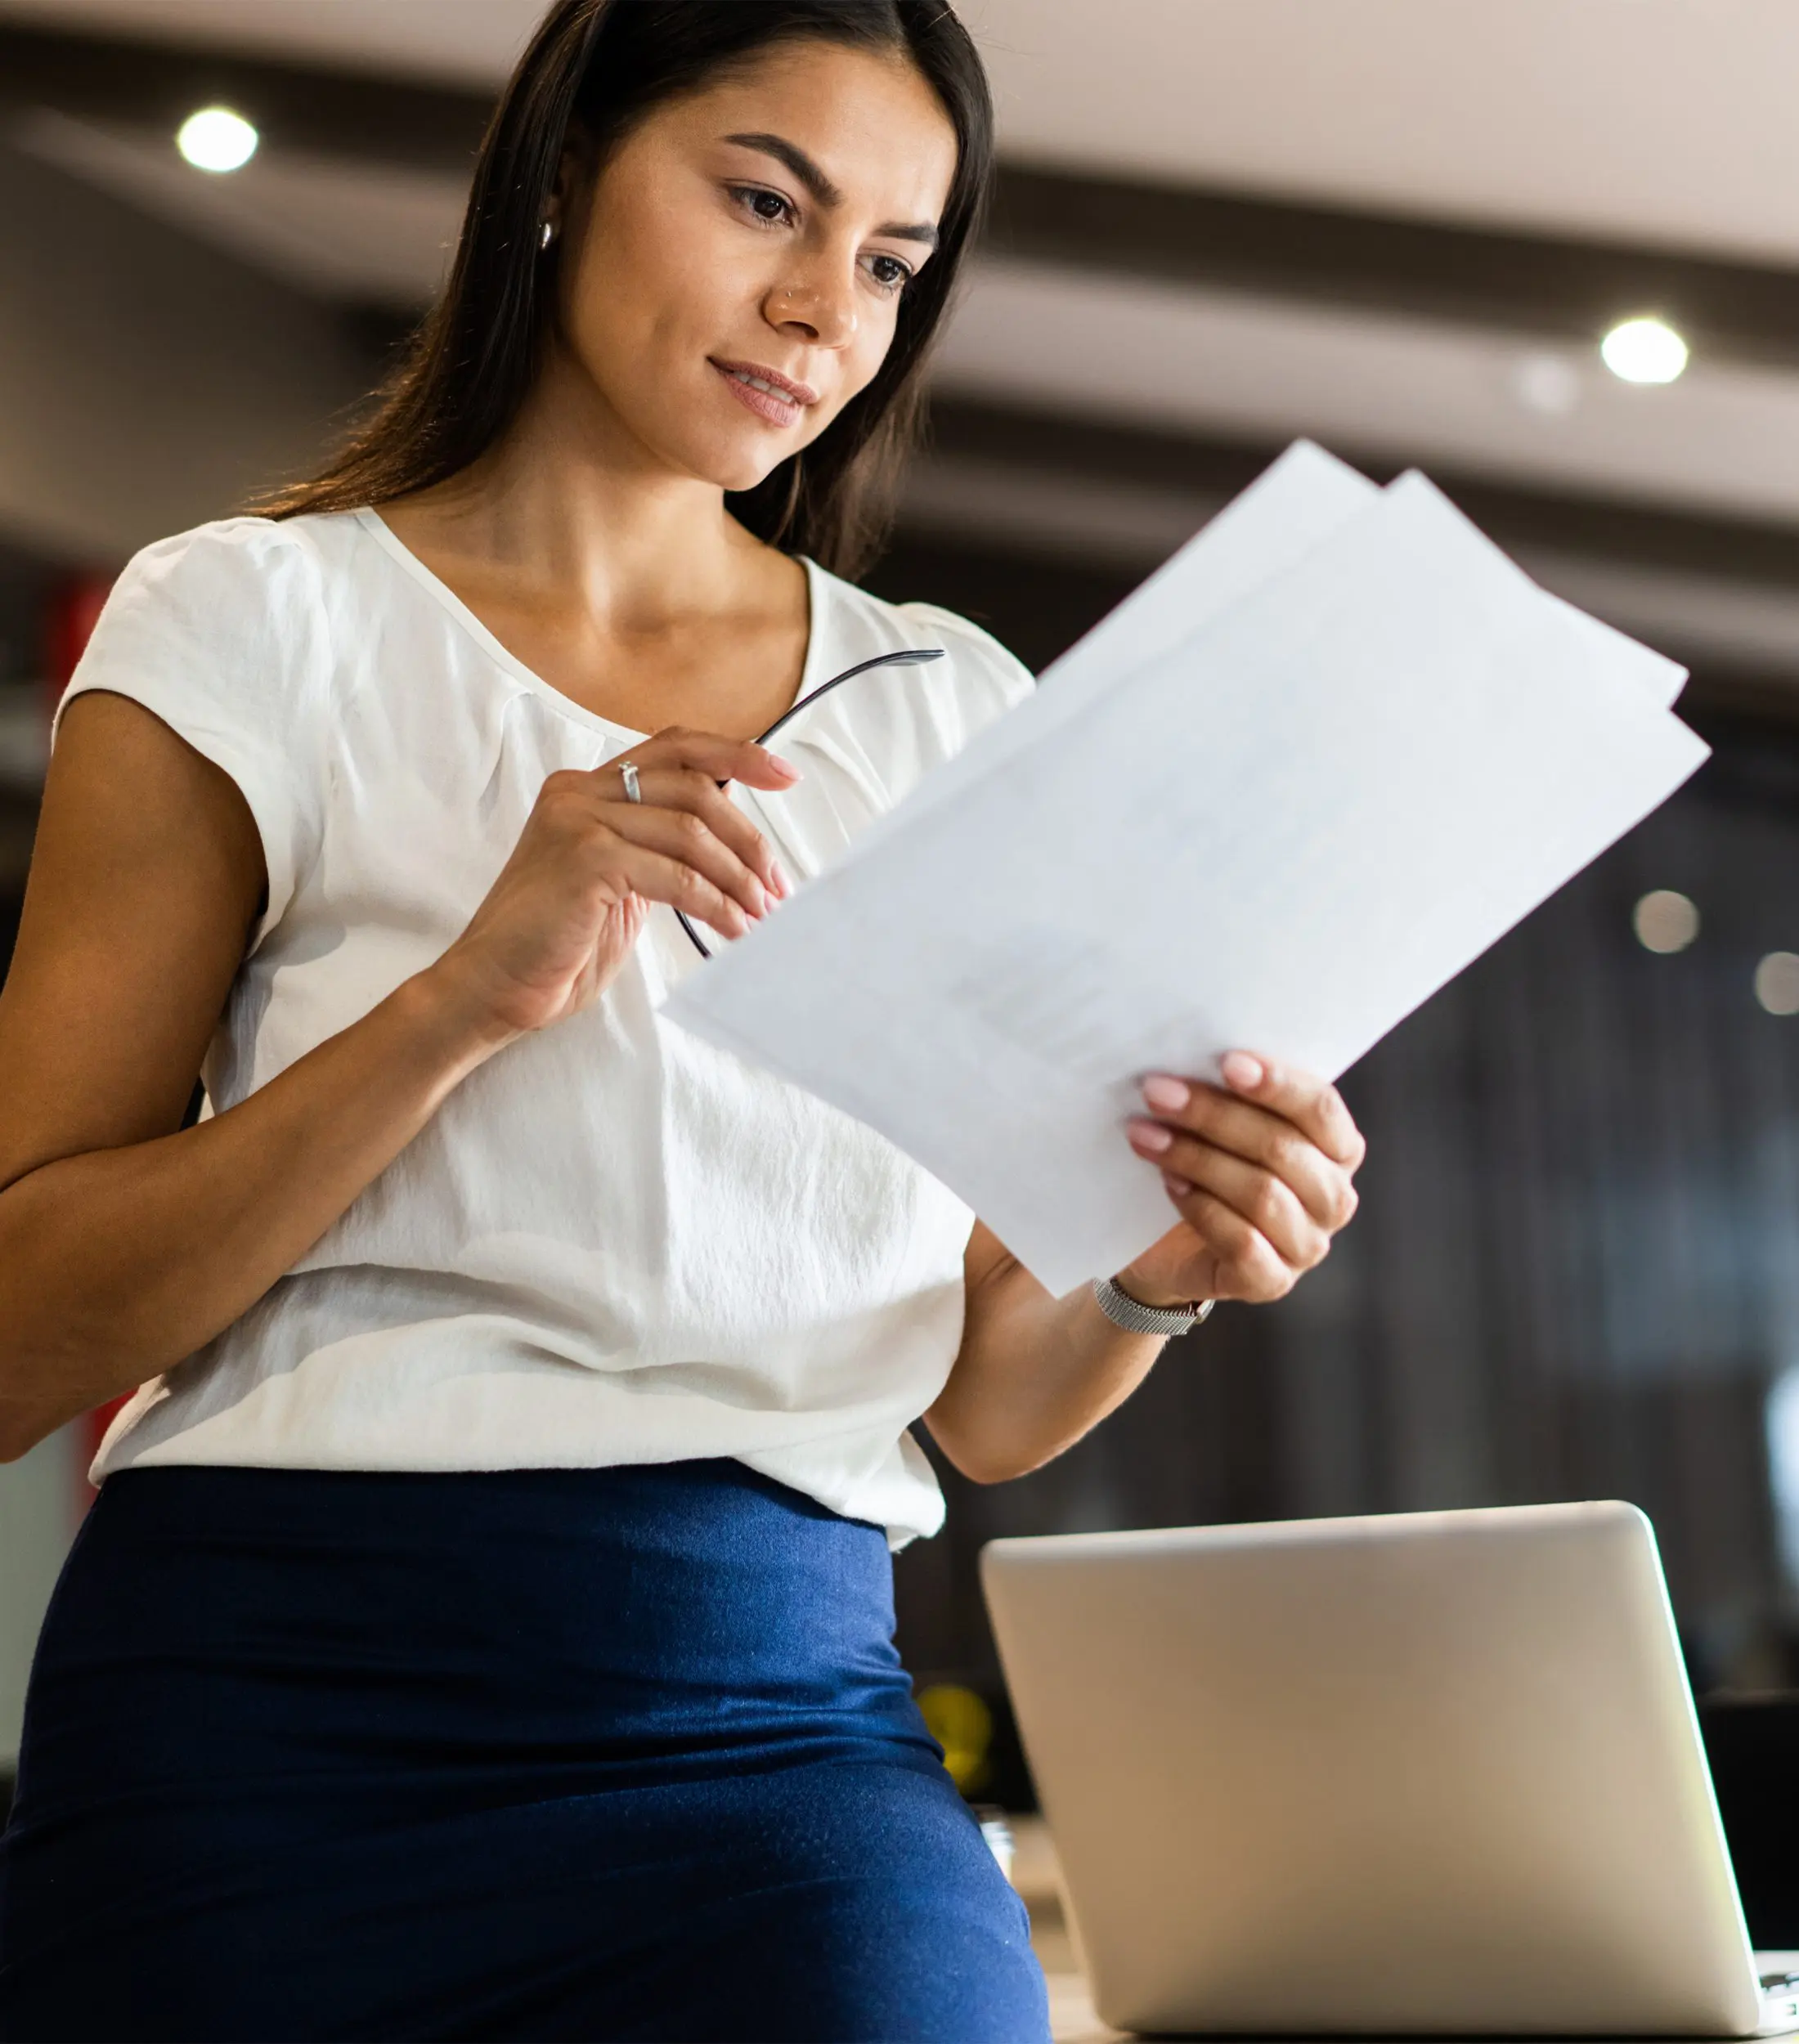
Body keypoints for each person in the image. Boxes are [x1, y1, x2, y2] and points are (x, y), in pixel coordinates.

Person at [0, 2, 1366, 2037]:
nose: (824, 307)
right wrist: (467, 996)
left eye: (893, 262)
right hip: (259, 1730)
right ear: (560, 171)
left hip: (775, 1733)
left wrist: (1153, 1269)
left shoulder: (949, 711)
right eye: (762, 201)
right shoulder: (248, 620)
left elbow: (981, 1400)